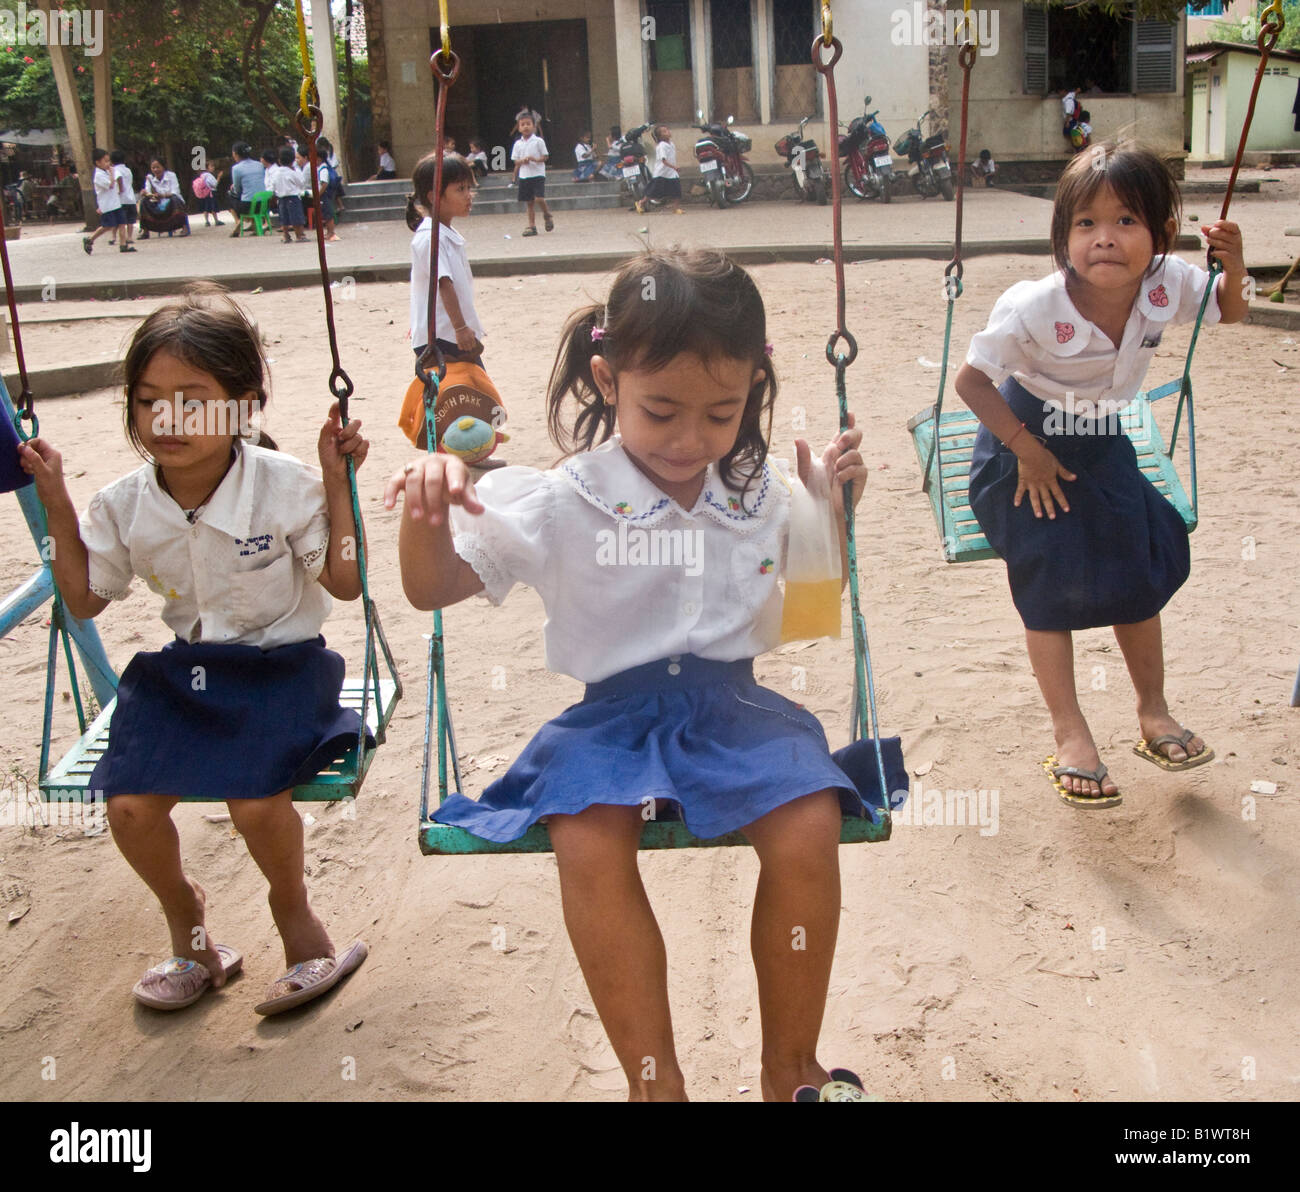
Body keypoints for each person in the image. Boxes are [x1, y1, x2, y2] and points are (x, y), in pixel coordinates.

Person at [385, 248, 882, 1102]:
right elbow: (430, 588)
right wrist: (428, 512)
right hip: (610, 720)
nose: (691, 440)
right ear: (608, 380)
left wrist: (833, 513)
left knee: (809, 824)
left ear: (752, 392)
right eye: (661, 411)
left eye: (722, 414)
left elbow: (805, 611)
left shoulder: (757, 491)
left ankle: (790, 1068)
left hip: (736, 705)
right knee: (586, 832)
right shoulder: (558, 499)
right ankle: (655, 1084)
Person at [15, 282, 371, 1015]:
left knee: (254, 801)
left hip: (284, 671)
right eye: (148, 400)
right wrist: (54, 500)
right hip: (187, 675)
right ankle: (192, 929)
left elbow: (344, 581)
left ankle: (298, 921)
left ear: (242, 405)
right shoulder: (124, 504)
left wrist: (338, 484)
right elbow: (83, 600)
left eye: (193, 397)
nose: (167, 418)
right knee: (130, 807)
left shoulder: (283, 487)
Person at [954, 141, 1248, 807]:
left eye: (1125, 221)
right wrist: (1026, 448)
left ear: (1161, 235)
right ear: (1063, 238)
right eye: (1086, 224)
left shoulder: (1168, 282)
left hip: (1101, 440)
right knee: (1048, 574)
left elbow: (1230, 310)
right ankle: (1071, 735)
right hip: (1021, 443)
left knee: (1138, 566)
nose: (1105, 239)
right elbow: (972, 382)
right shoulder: (1033, 305)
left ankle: (1152, 712)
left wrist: (1233, 268)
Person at [406, 152, 483, 369]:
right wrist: (460, 328)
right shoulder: (431, 237)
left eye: (469, 188)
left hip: (452, 335)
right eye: (460, 189)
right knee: (457, 398)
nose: (469, 195)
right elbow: (443, 283)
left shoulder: (444, 233)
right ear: (434, 196)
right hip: (442, 339)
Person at [511, 110, 551, 236]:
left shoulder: (538, 141)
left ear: (534, 126)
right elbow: (515, 160)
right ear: (519, 128)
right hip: (524, 175)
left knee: (539, 198)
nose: (526, 126)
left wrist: (535, 159)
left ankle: (546, 214)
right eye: (523, 124)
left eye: (528, 124)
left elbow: (545, 157)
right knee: (529, 202)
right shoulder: (518, 144)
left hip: (538, 174)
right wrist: (522, 161)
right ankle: (532, 226)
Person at [83, 148, 123, 254]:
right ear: (97, 162)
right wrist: (111, 173)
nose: (108, 163)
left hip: (115, 202)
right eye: (105, 161)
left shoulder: (106, 172)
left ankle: (124, 245)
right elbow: (110, 185)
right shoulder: (98, 176)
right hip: (107, 205)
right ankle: (90, 239)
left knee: (122, 222)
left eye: (108, 161)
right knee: (107, 226)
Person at [139, 159, 191, 238]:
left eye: (158, 167)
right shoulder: (149, 178)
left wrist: (162, 195)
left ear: (163, 167)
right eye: (153, 168)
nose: (155, 170)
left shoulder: (171, 175)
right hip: (157, 202)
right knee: (144, 201)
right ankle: (145, 231)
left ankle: (184, 227)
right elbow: (148, 191)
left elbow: (175, 191)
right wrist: (145, 193)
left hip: (171, 201)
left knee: (175, 199)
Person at [267, 146, 308, 243]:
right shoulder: (292, 172)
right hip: (293, 198)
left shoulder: (276, 173)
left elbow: (272, 186)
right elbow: (301, 183)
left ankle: (286, 235)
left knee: (284, 218)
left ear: (279, 161)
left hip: (281, 198)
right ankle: (299, 235)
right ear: (293, 160)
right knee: (296, 217)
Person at [636, 124, 681, 214]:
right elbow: (663, 161)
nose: (667, 132)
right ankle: (641, 203)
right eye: (664, 131)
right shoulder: (661, 146)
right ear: (660, 136)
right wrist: (674, 167)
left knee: (676, 190)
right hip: (661, 173)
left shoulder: (671, 144)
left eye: (667, 130)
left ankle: (676, 208)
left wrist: (673, 168)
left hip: (671, 173)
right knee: (653, 191)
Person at [227, 142, 266, 238]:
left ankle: (238, 221)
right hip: (263, 203)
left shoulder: (236, 168)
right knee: (251, 193)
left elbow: (237, 189)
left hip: (248, 206)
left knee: (229, 195)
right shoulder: (259, 164)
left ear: (235, 154)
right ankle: (254, 224)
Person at [312, 139, 342, 243]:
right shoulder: (320, 168)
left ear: (319, 159)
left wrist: (318, 194)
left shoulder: (323, 169)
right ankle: (329, 232)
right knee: (325, 214)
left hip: (324, 195)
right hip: (323, 195)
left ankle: (331, 232)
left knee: (328, 215)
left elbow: (324, 184)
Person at [110, 150, 138, 252]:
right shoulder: (128, 170)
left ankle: (113, 237)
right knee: (130, 220)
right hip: (131, 198)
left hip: (121, 199)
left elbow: (119, 178)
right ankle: (129, 237)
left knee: (119, 221)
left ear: (112, 161)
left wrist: (120, 189)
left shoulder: (115, 170)